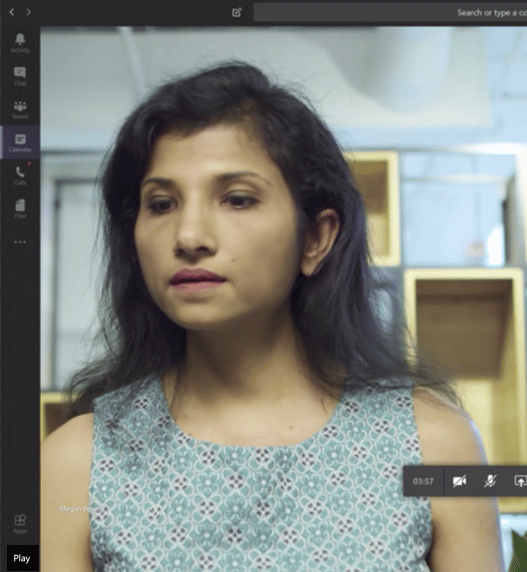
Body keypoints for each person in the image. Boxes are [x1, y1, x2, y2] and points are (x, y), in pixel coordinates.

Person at [40, 62, 503, 571]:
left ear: (315, 238)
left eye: (237, 199)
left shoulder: (434, 443)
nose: (189, 236)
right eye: (162, 203)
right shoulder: (77, 462)